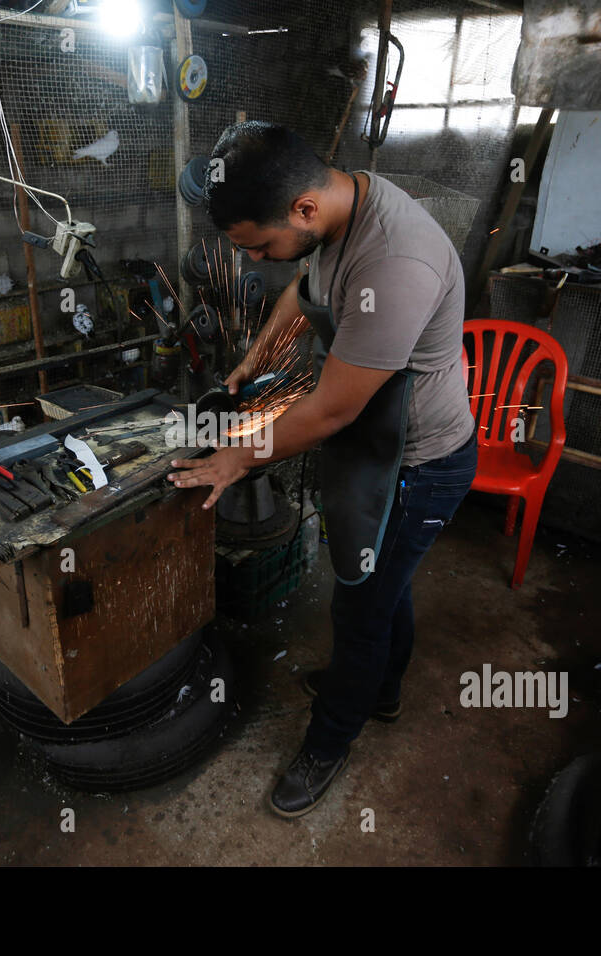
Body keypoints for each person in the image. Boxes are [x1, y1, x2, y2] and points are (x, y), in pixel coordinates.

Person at [167, 121, 477, 817]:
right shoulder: (337, 213)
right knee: (384, 587)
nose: (260, 258)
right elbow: (302, 292)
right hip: (376, 443)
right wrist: (257, 359)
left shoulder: (396, 260)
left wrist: (233, 458)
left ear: (303, 210)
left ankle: (330, 741)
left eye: (259, 246)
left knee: (359, 604)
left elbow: (332, 410)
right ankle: (382, 691)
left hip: (418, 465)